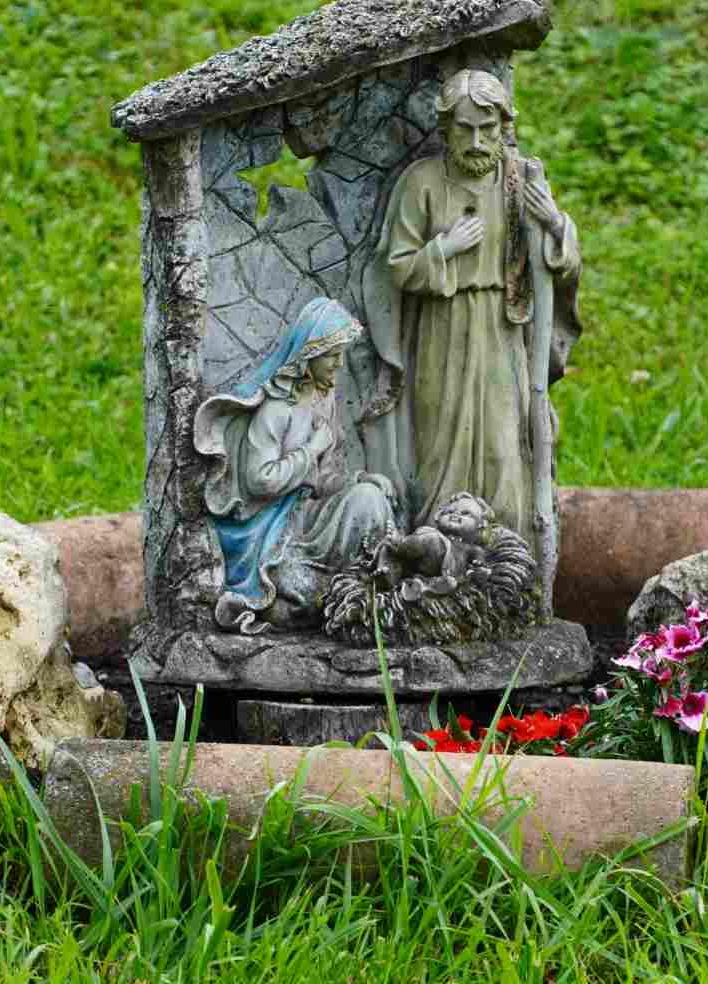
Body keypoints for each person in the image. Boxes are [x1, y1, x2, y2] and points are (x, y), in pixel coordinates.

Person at [360, 68, 582, 551]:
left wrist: (554, 223)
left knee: (505, 445)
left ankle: (508, 557)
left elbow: (559, 263)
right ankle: (437, 554)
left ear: (504, 127)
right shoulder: (421, 183)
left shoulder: (519, 179)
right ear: (446, 129)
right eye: (465, 129)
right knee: (440, 448)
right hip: (441, 330)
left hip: (503, 330)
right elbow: (396, 268)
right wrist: (444, 248)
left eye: (487, 129)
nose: (477, 141)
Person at [192, 297, 395, 634]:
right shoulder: (277, 408)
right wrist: (310, 449)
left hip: (307, 514)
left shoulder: (323, 398)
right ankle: (324, 596)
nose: (339, 364)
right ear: (309, 355)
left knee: (369, 499)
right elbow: (261, 480)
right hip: (272, 529)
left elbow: (323, 478)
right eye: (332, 356)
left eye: (340, 354)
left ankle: (368, 585)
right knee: (297, 588)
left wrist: (360, 481)